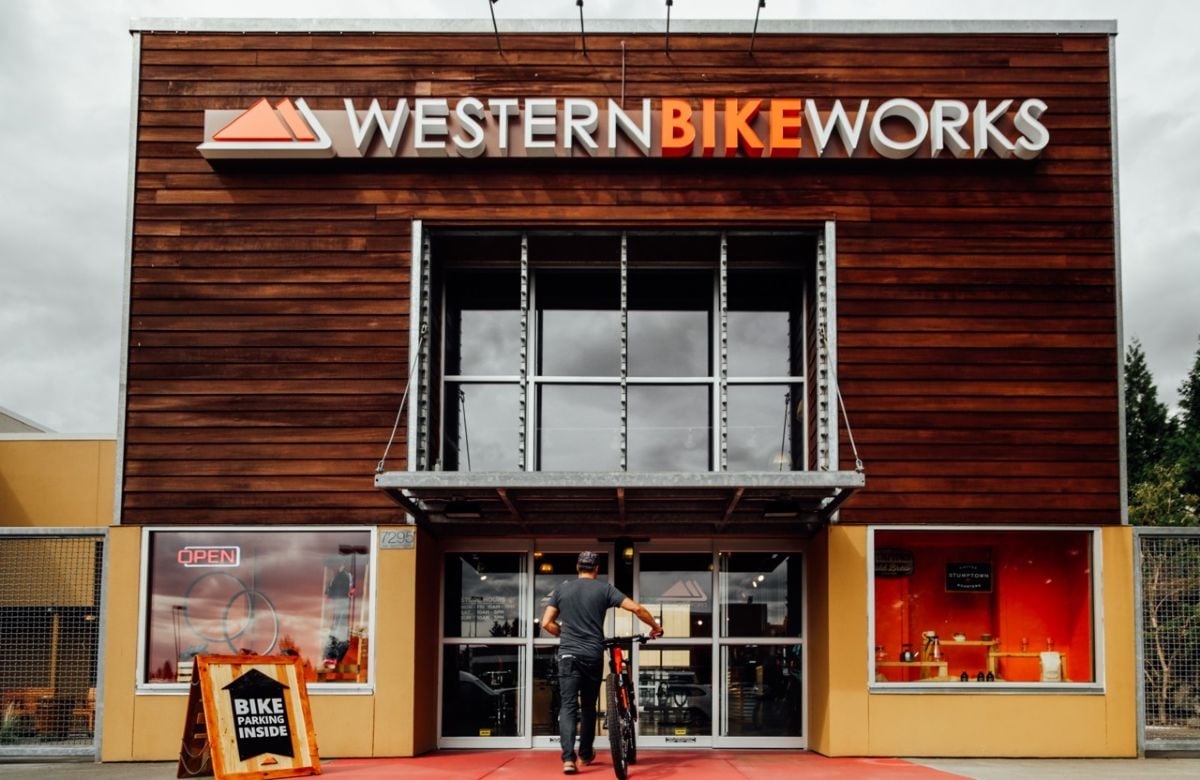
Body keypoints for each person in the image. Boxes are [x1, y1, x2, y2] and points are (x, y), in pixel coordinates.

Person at [540, 551, 663, 775]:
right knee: (588, 707)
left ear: (578, 567)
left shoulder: (562, 589)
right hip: (592, 654)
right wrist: (655, 627)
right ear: (596, 569)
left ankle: (568, 760)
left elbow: (547, 623)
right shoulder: (604, 589)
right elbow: (637, 609)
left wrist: (565, 635)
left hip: (568, 656)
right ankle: (586, 754)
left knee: (568, 707)